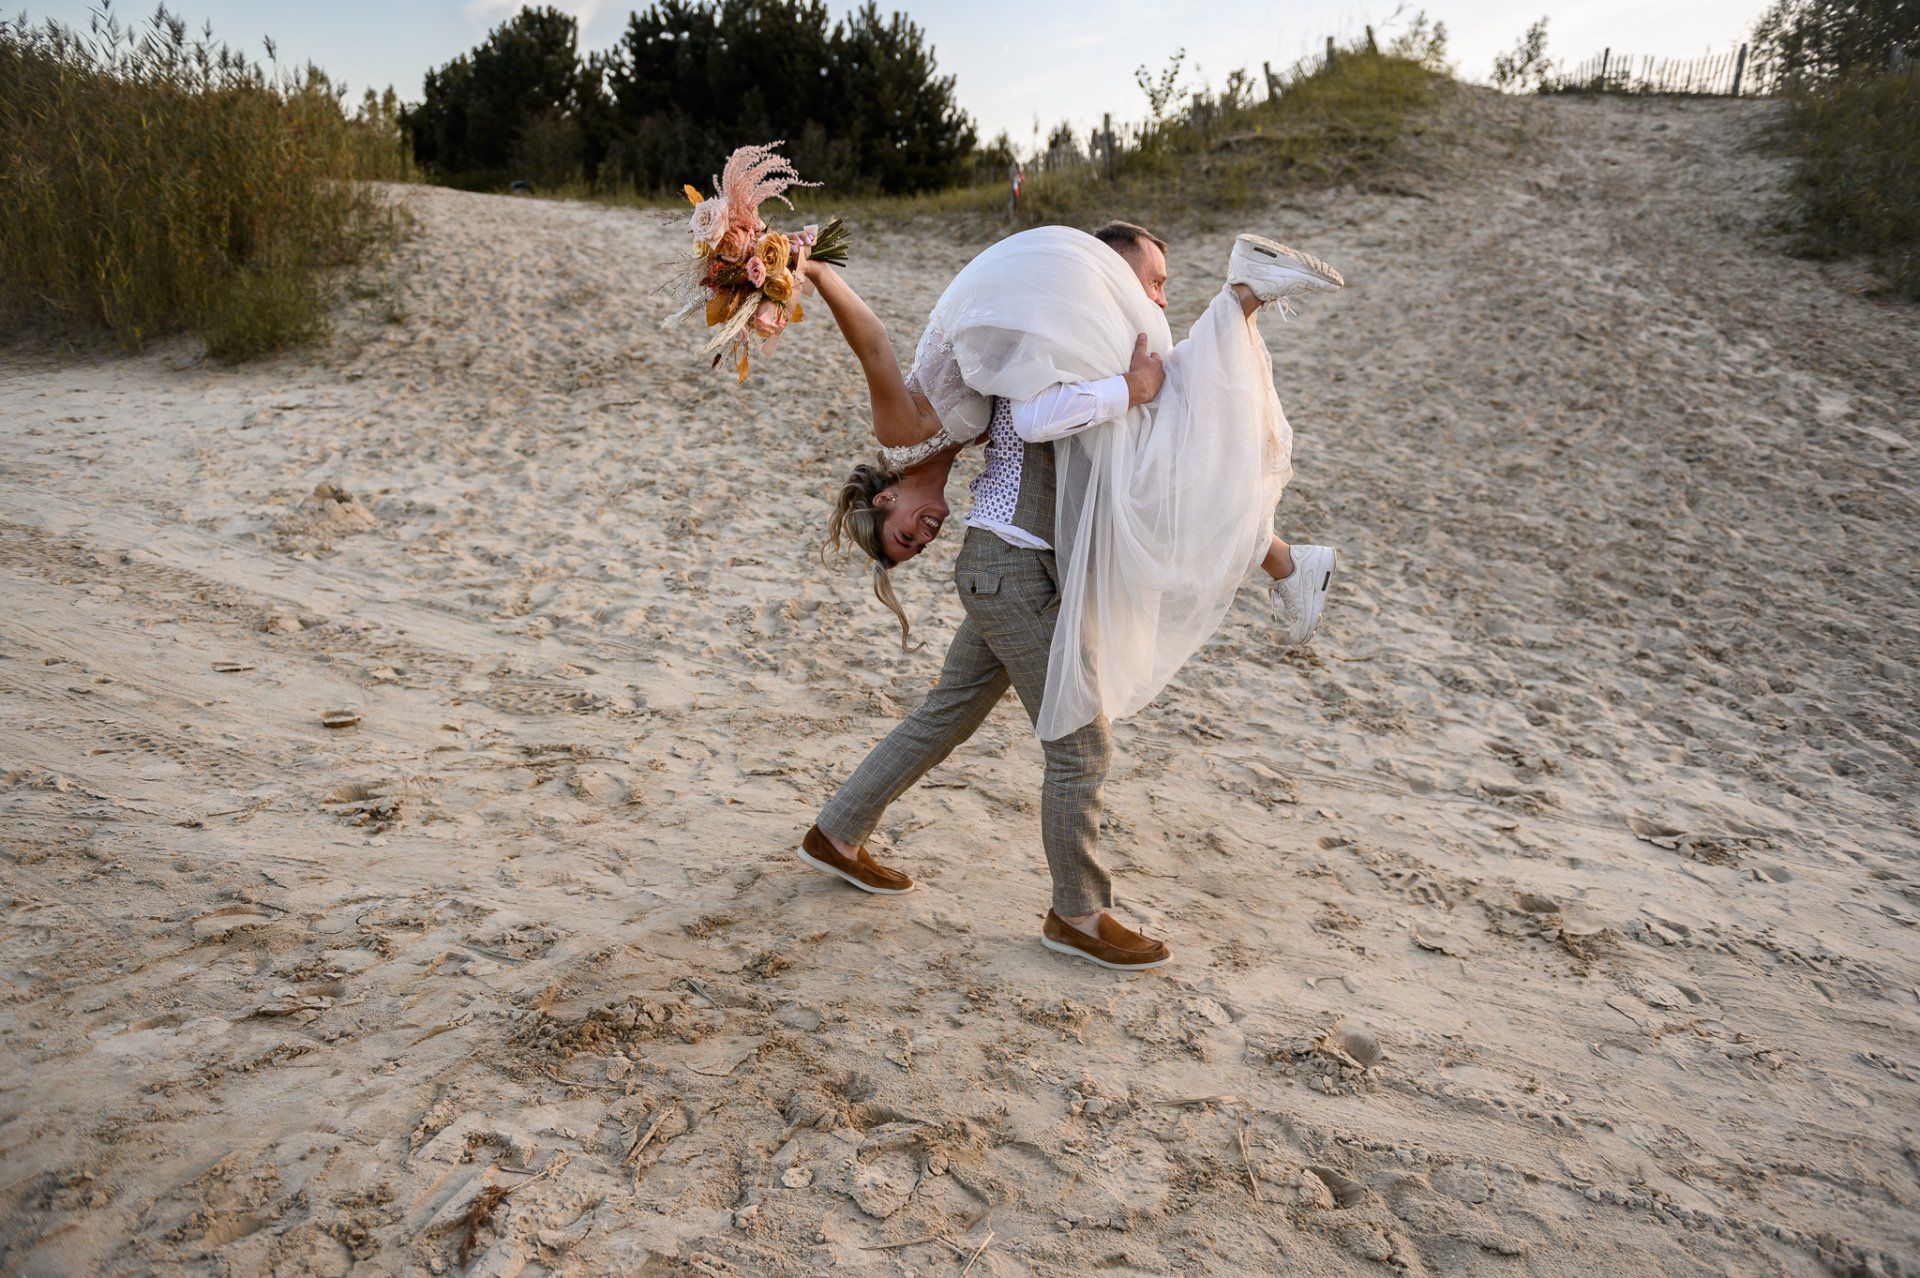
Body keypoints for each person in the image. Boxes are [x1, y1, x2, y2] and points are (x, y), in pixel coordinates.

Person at [794, 222, 1344, 969]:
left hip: (1004, 565)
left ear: (884, 494)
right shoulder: (980, 414)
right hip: (1008, 567)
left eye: (903, 537)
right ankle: (1078, 914)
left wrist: (815, 272)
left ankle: (837, 832)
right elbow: (1040, 408)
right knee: (1080, 743)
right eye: (916, 547)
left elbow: (875, 346)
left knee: (945, 717)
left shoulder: (902, 432)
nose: (922, 537)